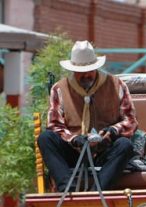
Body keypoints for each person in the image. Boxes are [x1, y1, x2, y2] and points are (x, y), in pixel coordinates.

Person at [38, 40, 138, 191]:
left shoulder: (117, 85)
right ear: (73, 70)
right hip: (73, 151)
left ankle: (97, 191)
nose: (86, 75)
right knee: (45, 138)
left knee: (125, 145)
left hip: (105, 151)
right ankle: (67, 189)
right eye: (80, 72)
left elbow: (130, 120)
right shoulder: (59, 89)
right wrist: (74, 139)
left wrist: (112, 131)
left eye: (90, 70)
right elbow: (54, 125)